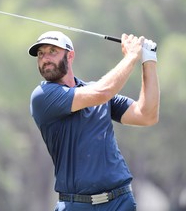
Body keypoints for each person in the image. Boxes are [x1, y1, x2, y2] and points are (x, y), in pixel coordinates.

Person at [28, 31, 160, 211]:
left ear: (70, 55)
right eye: (41, 54)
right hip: (76, 204)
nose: (45, 58)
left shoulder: (95, 91)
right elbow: (102, 92)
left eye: (52, 51)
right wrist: (131, 56)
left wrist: (149, 60)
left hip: (120, 202)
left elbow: (147, 115)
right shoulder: (42, 96)